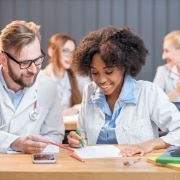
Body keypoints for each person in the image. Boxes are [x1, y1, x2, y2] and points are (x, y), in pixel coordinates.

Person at [67, 26, 180, 157]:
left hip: (136, 172)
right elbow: (83, 134)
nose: (101, 80)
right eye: (94, 73)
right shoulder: (90, 91)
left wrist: (151, 144)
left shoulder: (148, 92)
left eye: (109, 71)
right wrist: (77, 139)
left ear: (124, 66)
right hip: (96, 170)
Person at [0, 20, 64, 153]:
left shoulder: (48, 87)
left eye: (37, 60)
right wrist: (15, 143)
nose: (34, 70)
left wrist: (39, 146)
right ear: (3, 60)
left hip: (32, 168)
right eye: (25, 63)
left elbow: (55, 134)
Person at [43, 33, 89, 116]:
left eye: (72, 52)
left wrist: (76, 108)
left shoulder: (78, 77)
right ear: (51, 51)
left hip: (72, 127)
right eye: (65, 51)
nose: (70, 56)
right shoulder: (40, 78)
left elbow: (93, 101)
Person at [153, 30, 180, 102]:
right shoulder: (162, 71)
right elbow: (153, 102)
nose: (163, 57)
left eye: (167, 51)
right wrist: (176, 92)